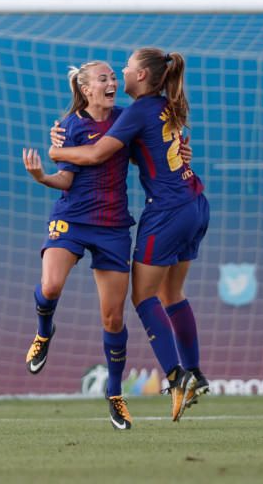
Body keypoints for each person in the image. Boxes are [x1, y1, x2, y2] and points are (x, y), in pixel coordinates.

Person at [49, 49, 209, 422]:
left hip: (167, 212)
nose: (120, 74)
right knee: (172, 293)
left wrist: (58, 149)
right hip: (195, 202)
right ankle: (195, 372)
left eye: (127, 69)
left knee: (142, 297)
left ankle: (176, 377)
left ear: (143, 77)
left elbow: (94, 155)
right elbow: (152, 147)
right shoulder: (165, 104)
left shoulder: (137, 111)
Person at [22, 60, 135, 430]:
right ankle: (44, 331)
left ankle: (115, 393)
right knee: (51, 285)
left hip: (113, 226)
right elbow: (66, 180)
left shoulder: (126, 118)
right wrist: (42, 177)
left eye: (113, 77)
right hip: (72, 220)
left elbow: (151, 148)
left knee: (113, 318)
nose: (112, 82)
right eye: (104, 78)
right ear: (86, 89)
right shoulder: (70, 126)